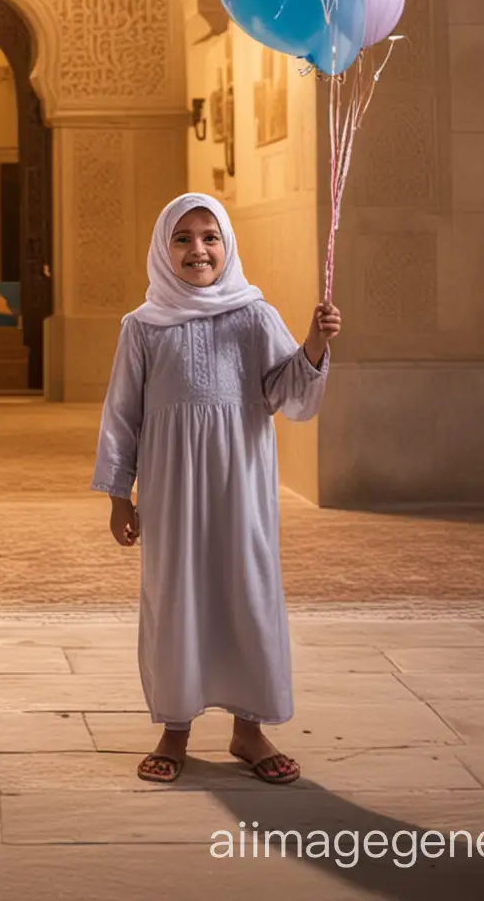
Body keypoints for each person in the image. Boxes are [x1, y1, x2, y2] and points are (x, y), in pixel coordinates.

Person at [91, 193, 340, 788]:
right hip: (172, 489)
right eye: (182, 238)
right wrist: (119, 494)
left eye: (210, 237)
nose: (197, 249)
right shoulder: (143, 326)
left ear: (227, 246)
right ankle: (175, 726)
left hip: (240, 485)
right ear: (162, 249)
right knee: (175, 593)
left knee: (245, 588)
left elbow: (289, 395)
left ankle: (248, 728)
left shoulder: (254, 316)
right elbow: (122, 415)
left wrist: (314, 345)